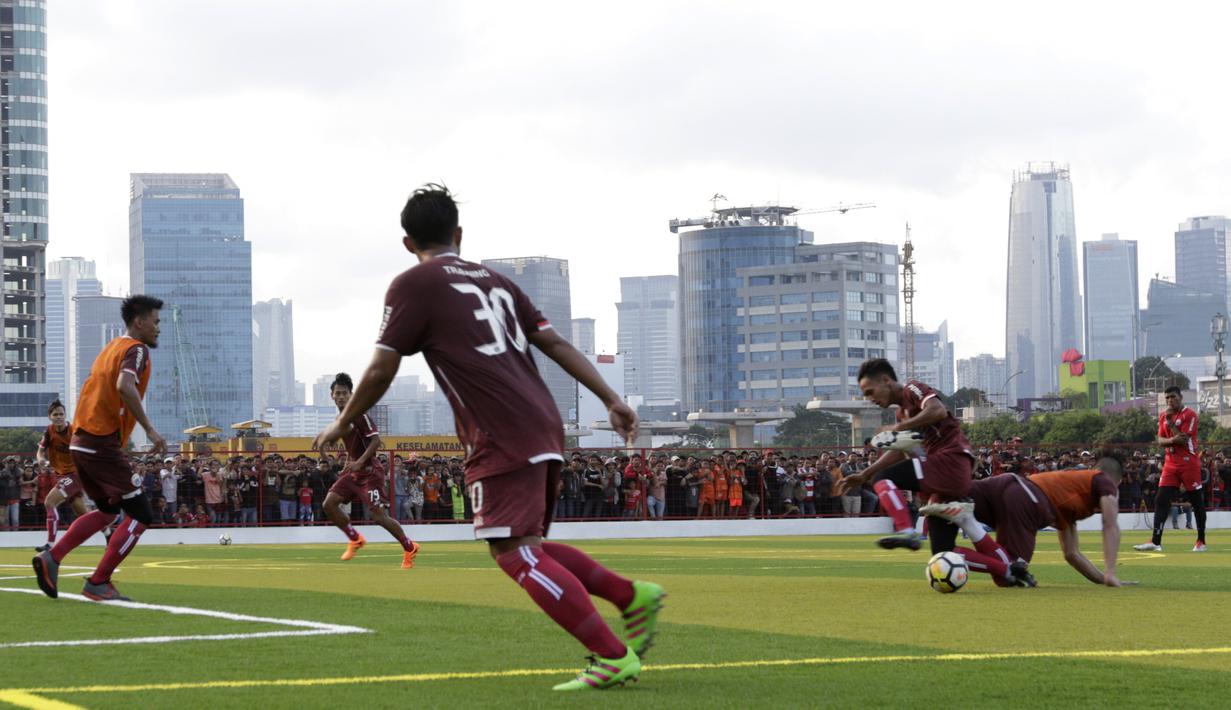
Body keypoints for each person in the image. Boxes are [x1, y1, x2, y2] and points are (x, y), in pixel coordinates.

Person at [312, 184, 662, 690]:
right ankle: (631, 597)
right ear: (458, 233)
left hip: (500, 429)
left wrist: (342, 422)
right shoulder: (498, 282)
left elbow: (384, 366)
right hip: (543, 420)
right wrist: (611, 397)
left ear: (408, 243)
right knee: (527, 544)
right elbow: (554, 341)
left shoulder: (415, 283)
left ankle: (610, 653)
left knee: (513, 552)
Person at [838, 359, 1029, 584]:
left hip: (950, 462)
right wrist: (864, 474)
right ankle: (1010, 571)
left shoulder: (912, 390)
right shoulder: (902, 414)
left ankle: (907, 529)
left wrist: (898, 429)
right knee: (942, 553)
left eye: (869, 391)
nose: (868, 398)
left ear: (886, 381)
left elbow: (937, 410)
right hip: (948, 477)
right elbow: (898, 452)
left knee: (884, 479)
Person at [32, 295, 168, 602]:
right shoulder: (136, 349)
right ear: (139, 321)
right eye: (156, 322)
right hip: (99, 442)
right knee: (142, 514)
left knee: (107, 511)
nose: (159, 329)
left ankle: (52, 557)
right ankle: (98, 581)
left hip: (82, 443)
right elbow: (124, 386)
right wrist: (149, 428)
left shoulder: (110, 348)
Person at [924, 449, 1134, 587]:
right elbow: (1110, 524)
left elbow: (1072, 554)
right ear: (1118, 480)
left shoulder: (1070, 496)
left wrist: (1103, 579)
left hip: (1002, 486)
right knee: (1010, 574)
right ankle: (968, 523)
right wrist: (1111, 571)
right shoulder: (1103, 480)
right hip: (1025, 498)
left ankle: (955, 531)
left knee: (950, 499)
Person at [319, 373, 420, 568]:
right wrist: (349, 463)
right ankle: (355, 538)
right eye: (337, 393)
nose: (341, 396)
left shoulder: (359, 414)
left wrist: (359, 462)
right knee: (329, 504)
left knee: (378, 517)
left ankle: (409, 547)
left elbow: (375, 441)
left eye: (344, 393)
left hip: (371, 472)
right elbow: (354, 445)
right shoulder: (341, 418)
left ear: (351, 394)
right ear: (331, 395)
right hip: (354, 473)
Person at [1135, 387, 1208, 553]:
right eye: (1167, 398)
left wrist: (1170, 424)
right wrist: (1172, 438)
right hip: (1170, 463)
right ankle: (1155, 541)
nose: (1169, 400)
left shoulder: (1190, 415)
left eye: (1173, 397)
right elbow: (1160, 440)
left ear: (1181, 398)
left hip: (1188, 462)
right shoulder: (1163, 415)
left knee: (1196, 502)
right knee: (1161, 499)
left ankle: (1201, 540)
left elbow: (1183, 440)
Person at [36, 400, 89, 552]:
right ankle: (108, 533)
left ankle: (50, 545)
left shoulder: (74, 431)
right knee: (83, 514)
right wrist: (41, 460)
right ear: (50, 417)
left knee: (49, 502)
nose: (59, 417)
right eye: (55, 414)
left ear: (65, 415)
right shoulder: (48, 431)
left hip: (75, 474)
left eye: (61, 414)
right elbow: (40, 451)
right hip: (61, 475)